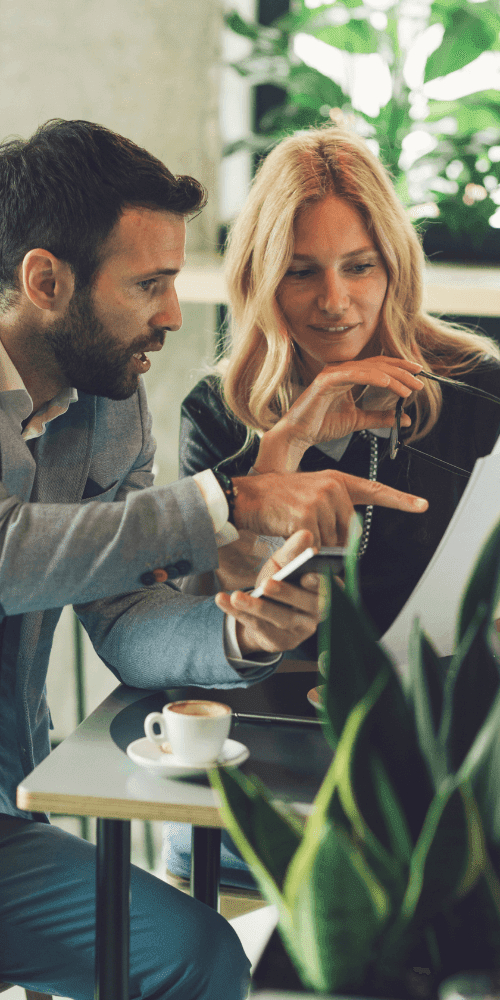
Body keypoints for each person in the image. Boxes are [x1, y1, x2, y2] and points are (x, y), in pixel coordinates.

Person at [0, 119, 428, 1000]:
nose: (171, 314)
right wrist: (228, 500)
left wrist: (237, 635)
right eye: (150, 284)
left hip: (10, 817)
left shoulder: (109, 409)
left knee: (195, 956)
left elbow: (124, 620)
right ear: (46, 281)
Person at [171, 122, 500, 886]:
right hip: (267, 744)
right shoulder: (217, 413)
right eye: (301, 271)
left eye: (360, 267)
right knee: (195, 856)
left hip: (438, 748)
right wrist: (278, 449)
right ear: (261, 277)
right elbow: (196, 625)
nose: (335, 302)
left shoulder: (478, 391)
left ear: (396, 267)